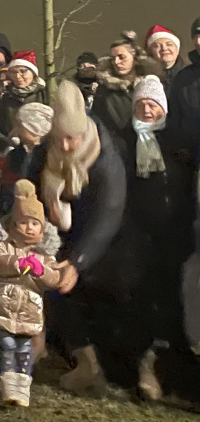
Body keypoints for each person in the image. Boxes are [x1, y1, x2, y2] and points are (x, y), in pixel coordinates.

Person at [37, 81, 127, 394]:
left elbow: (110, 212)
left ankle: (113, 367)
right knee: (59, 293)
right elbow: (31, 183)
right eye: (59, 139)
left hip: (103, 241)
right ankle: (83, 362)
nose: (65, 147)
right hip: (62, 236)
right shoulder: (48, 151)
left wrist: (78, 262)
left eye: (71, 139)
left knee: (100, 294)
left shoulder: (104, 158)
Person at [120, 76, 197, 400]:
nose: (148, 110)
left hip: (177, 234)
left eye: (153, 105)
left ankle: (177, 374)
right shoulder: (125, 141)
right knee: (145, 300)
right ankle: (143, 367)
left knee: (175, 303)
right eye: (142, 105)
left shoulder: (178, 141)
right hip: (140, 236)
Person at [0, 180, 62, 407]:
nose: (29, 228)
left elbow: (54, 279)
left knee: (25, 348)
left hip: (28, 312)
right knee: (6, 345)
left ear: (42, 228)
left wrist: (42, 272)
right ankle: (8, 384)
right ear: (13, 225)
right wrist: (17, 262)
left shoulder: (45, 255)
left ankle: (22, 386)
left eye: (34, 223)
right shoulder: (4, 246)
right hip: (3, 308)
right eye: (24, 222)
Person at [92, 31, 163, 137]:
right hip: (117, 148)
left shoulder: (152, 85)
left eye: (122, 57)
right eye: (113, 58)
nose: (116, 62)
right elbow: (99, 123)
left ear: (134, 58)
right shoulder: (104, 90)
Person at [0, 51, 48, 152]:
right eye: (13, 72)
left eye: (23, 71)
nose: (18, 77)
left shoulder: (44, 95)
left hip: (42, 151)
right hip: (15, 152)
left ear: (33, 73)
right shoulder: (7, 98)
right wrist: (6, 144)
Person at [167, 17, 200, 163]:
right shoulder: (183, 78)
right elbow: (175, 115)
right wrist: (180, 147)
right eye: (196, 36)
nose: (199, 41)